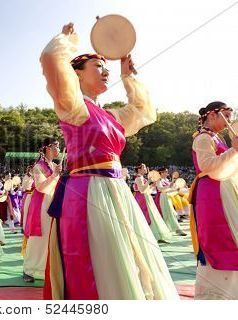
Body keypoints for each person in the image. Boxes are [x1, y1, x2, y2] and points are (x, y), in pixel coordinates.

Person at [42, 22, 178, 299]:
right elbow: (50, 61)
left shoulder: (111, 116)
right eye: (97, 66)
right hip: (88, 192)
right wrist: (67, 41)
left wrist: (128, 77)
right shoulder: (73, 106)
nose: (105, 72)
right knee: (103, 259)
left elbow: (143, 112)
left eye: (106, 67)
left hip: (117, 192)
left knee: (130, 257)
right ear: (76, 75)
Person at [189, 101, 238, 299]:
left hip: (223, 190)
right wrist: (233, 150)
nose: (231, 118)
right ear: (212, 115)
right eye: (226, 113)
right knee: (220, 238)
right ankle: (216, 295)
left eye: (232, 114)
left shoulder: (217, 139)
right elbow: (207, 165)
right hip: (212, 194)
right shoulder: (202, 138)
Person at [23, 138, 60, 282]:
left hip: (52, 202)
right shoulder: (38, 166)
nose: (58, 148)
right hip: (42, 203)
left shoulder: (54, 165)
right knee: (39, 236)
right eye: (56, 146)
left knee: (50, 237)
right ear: (48, 148)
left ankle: (46, 268)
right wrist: (55, 174)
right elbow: (40, 187)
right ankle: (29, 269)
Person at [134, 164, 172, 243]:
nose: (146, 168)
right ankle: (152, 236)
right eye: (144, 167)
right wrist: (148, 181)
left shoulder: (141, 178)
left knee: (153, 216)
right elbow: (142, 190)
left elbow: (146, 189)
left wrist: (151, 186)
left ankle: (157, 236)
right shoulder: (138, 178)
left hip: (147, 197)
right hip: (142, 199)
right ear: (139, 169)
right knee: (148, 216)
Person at [155, 168, 186, 236]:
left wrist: (176, 189)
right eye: (165, 172)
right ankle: (167, 230)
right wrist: (170, 186)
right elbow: (160, 189)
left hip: (167, 197)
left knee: (170, 213)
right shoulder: (158, 180)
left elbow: (169, 189)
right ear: (161, 173)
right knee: (165, 214)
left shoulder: (166, 180)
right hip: (161, 198)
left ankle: (176, 229)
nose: (167, 173)